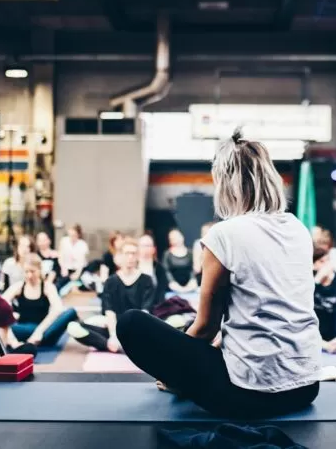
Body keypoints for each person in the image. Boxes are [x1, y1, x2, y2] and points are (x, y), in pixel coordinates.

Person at [116, 130, 321, 419]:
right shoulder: (298, 229)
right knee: (186, 326)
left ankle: (180, 384)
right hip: (306, 387)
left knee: (131, 323)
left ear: (226, 183)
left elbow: (205, 328)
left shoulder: (224, 234)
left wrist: (175, 371)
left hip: (249, 395)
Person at [69, 238, 155, 352]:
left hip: (139, 328)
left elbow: (146, 311)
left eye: (133, 253)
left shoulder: (147, 280)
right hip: (115, 328)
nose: (130, 257)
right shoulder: (111, 281)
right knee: (74, 327)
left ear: (138, 256)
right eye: (127, 253)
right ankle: (110, 345)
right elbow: (110, 311)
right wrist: (113, 335)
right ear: (120, 256)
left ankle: (125, 344)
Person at [2, 255, 79, 348]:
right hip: (24, 329)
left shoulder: (47, 287)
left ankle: (35, 341)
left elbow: (57, 309)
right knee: (4, 326)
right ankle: (29, 342)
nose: (29, 275)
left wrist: (39, 332)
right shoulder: (19, 286)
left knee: (71, 312)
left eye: (32, 271)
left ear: (39, 270)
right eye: (26, 272)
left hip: (45, 329)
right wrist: (10, 315)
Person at [137, 233, 169, 308]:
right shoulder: (132, 266)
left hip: (156, 307)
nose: (145, 248)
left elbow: (162, 291)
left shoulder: (159, 268)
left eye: (148, 245)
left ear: (154, 249)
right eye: (142, 246)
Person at [163, 228, 198, 293]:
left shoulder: (191, 253)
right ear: (170, 240)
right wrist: (175, 286)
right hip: (173, 288)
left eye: (177, 236)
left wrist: (191, 284)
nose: (176, 239)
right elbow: (167, 271)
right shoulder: (167, 254)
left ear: (182, 236)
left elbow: (193, 270)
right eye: (173, 238)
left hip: (191, 286)